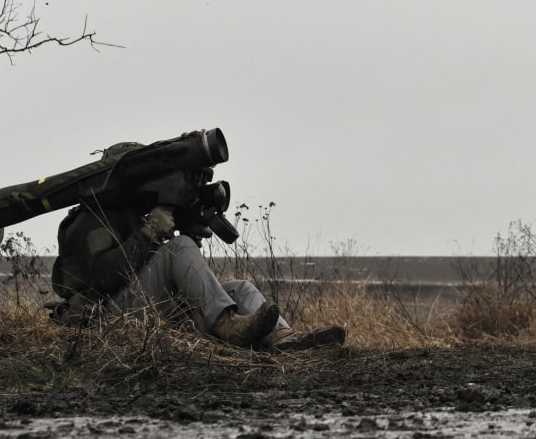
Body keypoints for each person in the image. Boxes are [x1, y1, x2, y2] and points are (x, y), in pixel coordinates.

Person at [51, 143, 346, 352]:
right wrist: (151, 232)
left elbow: (162, 272)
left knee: (240, 288)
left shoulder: (134, 213)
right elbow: (105, 276)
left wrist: (185, 227)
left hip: (138, 310)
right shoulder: (95, 218)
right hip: (107, 319)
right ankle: (227, 325)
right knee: (179, 247)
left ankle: (284, 339)